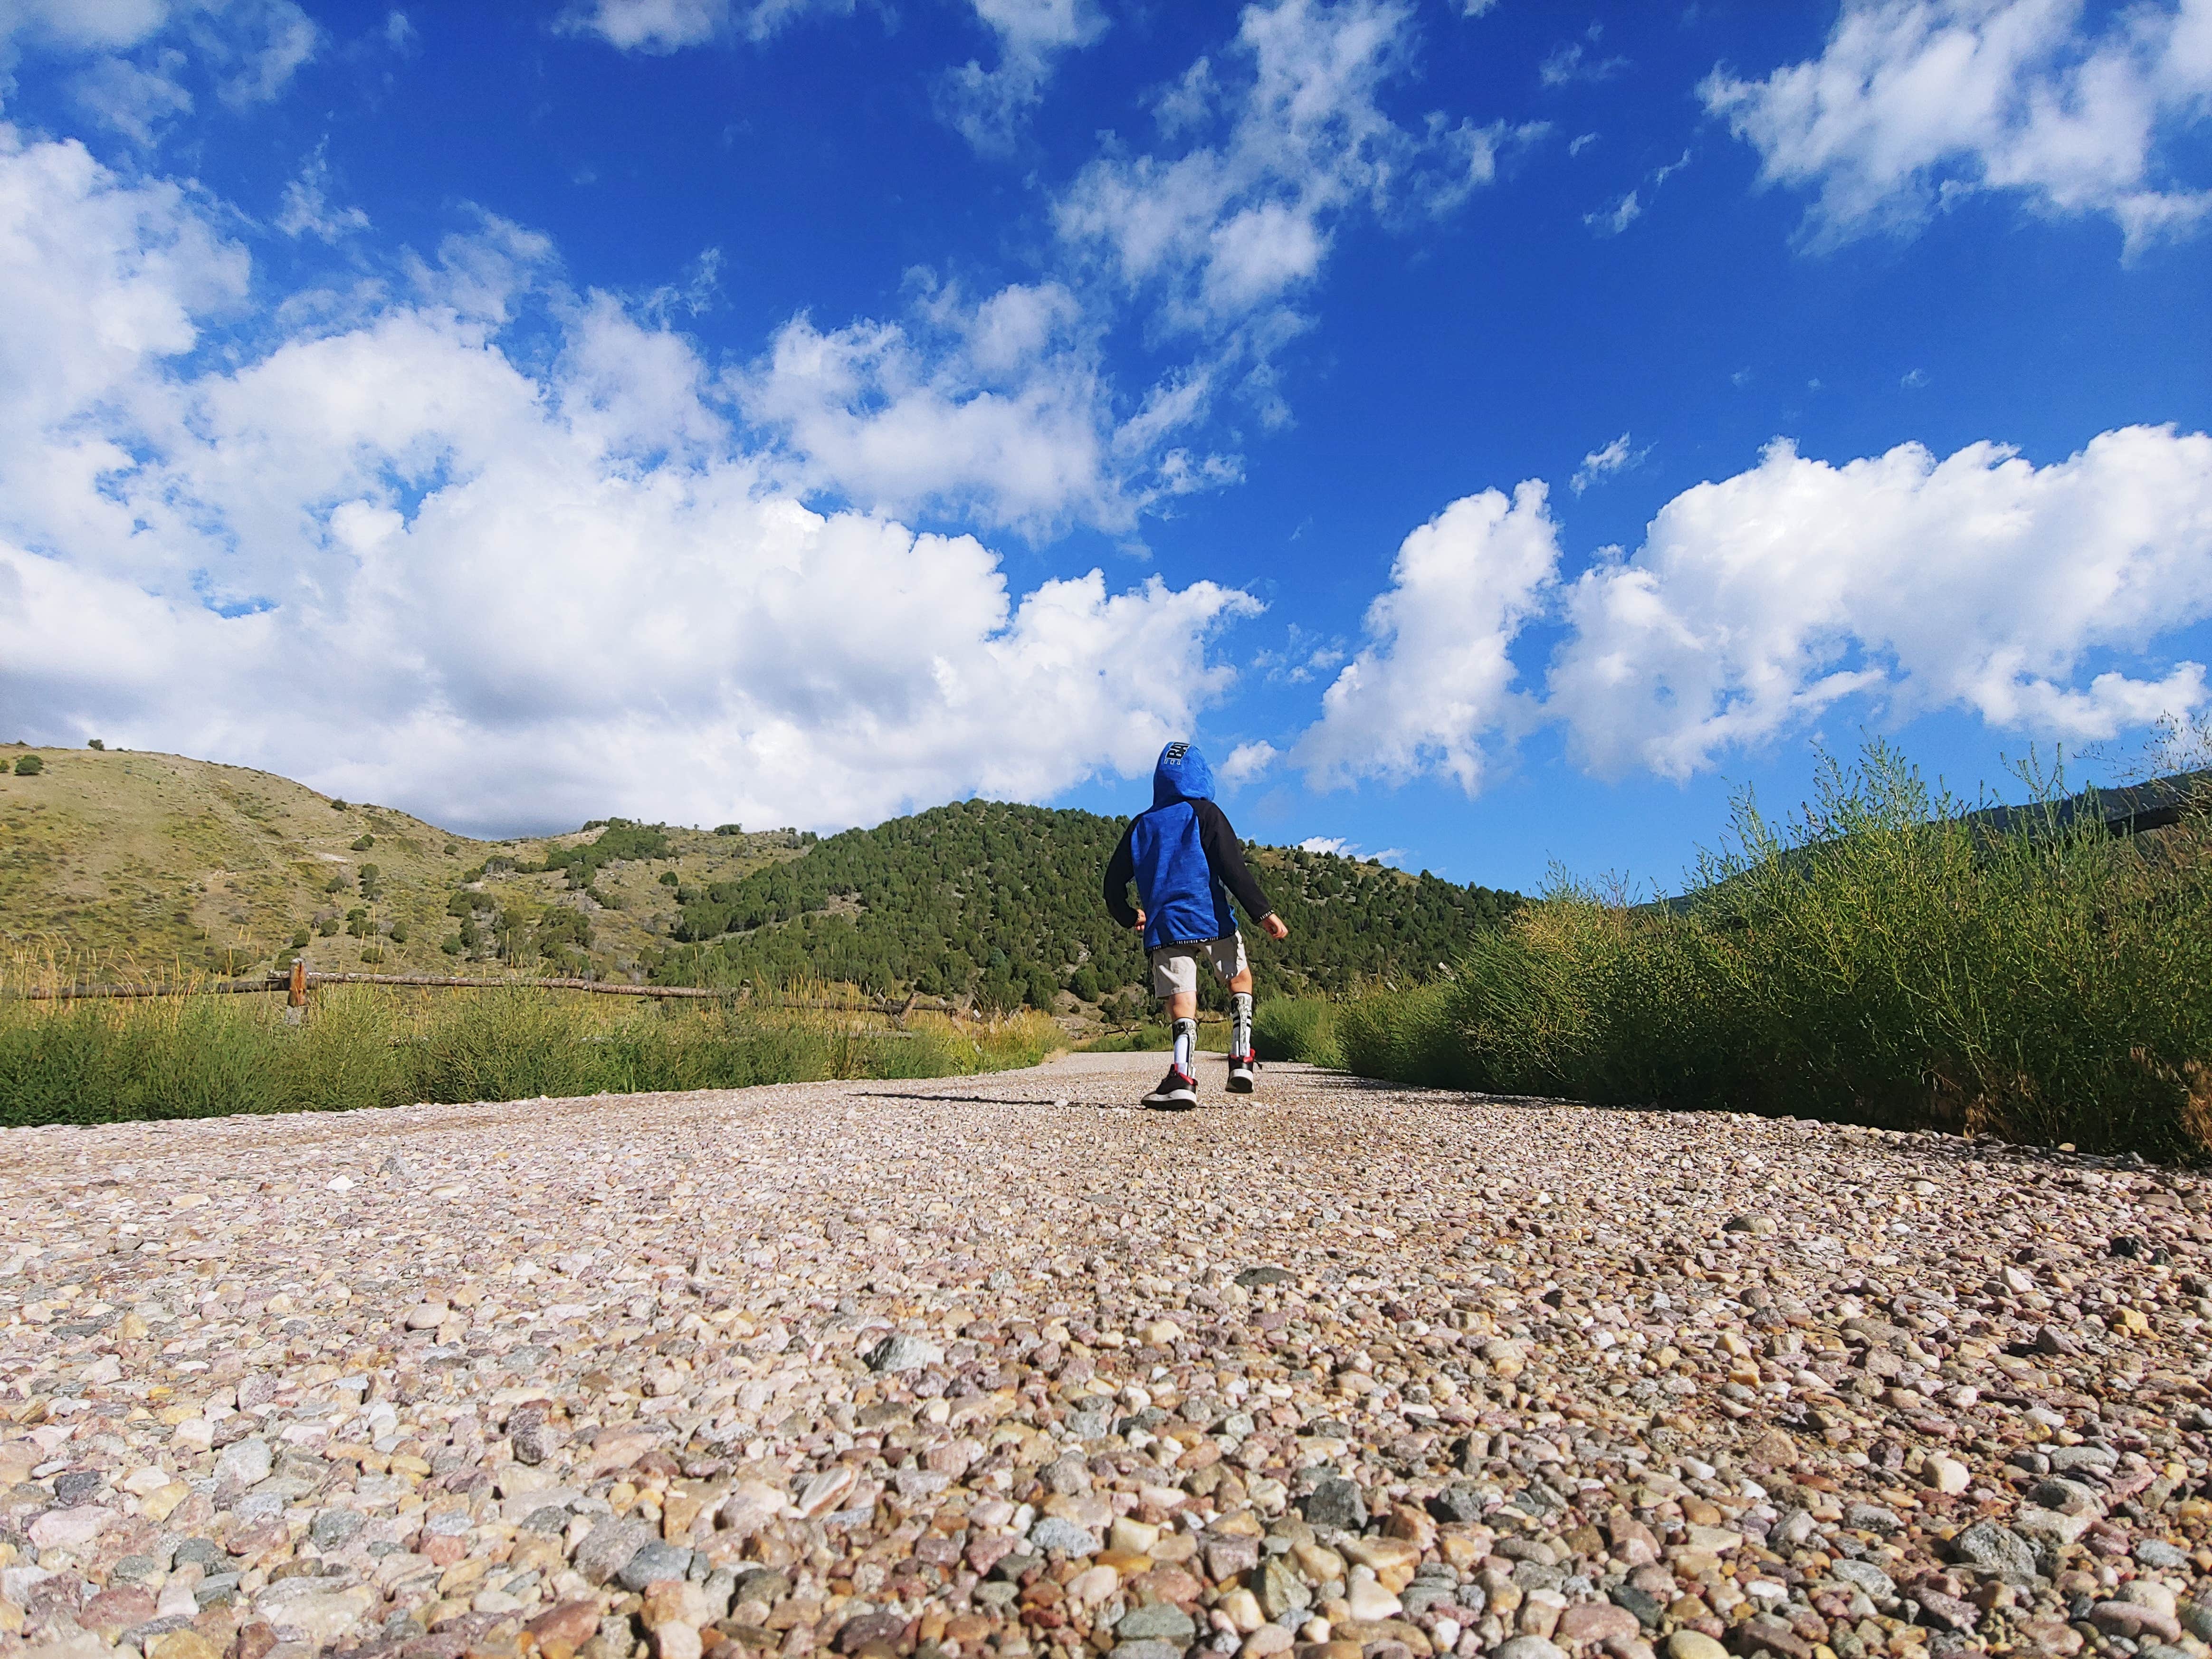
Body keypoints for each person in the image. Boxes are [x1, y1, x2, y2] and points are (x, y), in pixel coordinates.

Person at [1102, 741, 1290, 1107]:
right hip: (1211, 918)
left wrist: (1129, 916)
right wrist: (1263, 913)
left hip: (1166, 927)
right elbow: (1233, 869)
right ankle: (1241, 1059)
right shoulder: (1205, 813)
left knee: (1181, 999)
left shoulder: (1141, 825)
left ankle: (1182, 1077)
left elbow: (1112, 885)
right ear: (1201, 774)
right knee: (1239, 979)